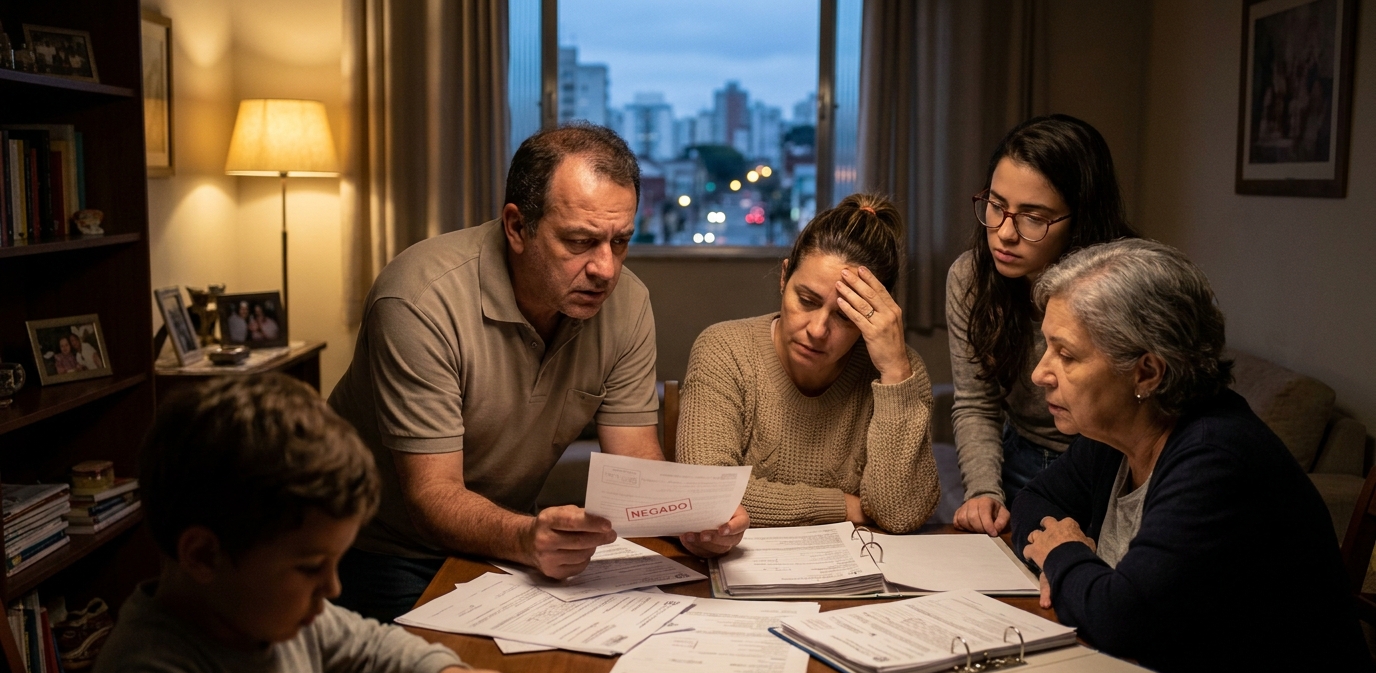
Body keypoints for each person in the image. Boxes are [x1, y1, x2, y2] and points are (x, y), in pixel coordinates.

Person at [328, 123, 747, 622]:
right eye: (580, 241)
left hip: (498, 541)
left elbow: (635, 461)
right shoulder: (420, 300)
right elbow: (431, 496)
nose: (606, 269)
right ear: (516, 226)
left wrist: (692, 519)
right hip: (380, 547)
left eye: (621, 241)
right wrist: (526, 537)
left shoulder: (626, 301)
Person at [1010, 239, 1375, 673]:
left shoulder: (1215, 457)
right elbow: (1036, 499)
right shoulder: (1118, 432)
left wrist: (1065, 554)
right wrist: (1076, 566)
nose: (1040, 372)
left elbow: (1121, 618)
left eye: (1066, 354)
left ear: (1147, 373)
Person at [85, 374, 533, 673]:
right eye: (311, 568)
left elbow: (370, 650)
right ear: (203, 556)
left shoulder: (276, 618)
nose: (334, 588)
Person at [678, 194, 939, 532]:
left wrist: (895, 373)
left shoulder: (901, 371)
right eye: (806, 300)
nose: (817, 330)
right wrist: (846, 506)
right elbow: (707, 496)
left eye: (846, 317)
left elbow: (901, 514)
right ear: (784, 277)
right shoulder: (725, 349)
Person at [948, 115, 1137, 537]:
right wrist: (983, 491)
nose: (1004, 233)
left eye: (1033, 217)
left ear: (1081, 219)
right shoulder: (971, 279)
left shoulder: (1124, 287)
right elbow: (977, 401)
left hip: (1109, 459)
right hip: (1022, 459)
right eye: (996, 206)